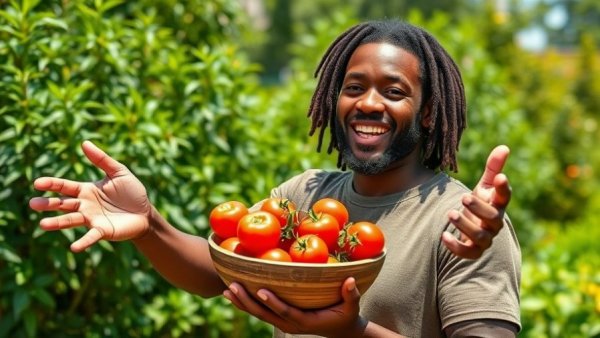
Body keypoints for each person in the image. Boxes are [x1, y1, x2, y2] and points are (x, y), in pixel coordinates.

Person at [29, 19, 520, 337]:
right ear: (335, 99)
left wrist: (355, 332)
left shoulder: (460, 223)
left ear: (429, 112)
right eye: (354, 87)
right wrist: (150, 224)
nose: (369, 103)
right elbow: (218, 271)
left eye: (393, 91)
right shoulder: (303, 195)